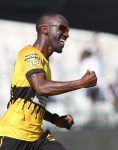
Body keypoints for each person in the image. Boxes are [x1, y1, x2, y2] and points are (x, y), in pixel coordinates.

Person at [0, 12, 97, 150]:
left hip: (37, 138)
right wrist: (80, 83)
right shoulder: (29, 53)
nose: (67, 34)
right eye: (62, 29)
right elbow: (41, 87)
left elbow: (33, 102)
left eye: (68, 31)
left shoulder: (44, 63)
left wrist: (55, 119)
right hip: (13, 135)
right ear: (45, 29)